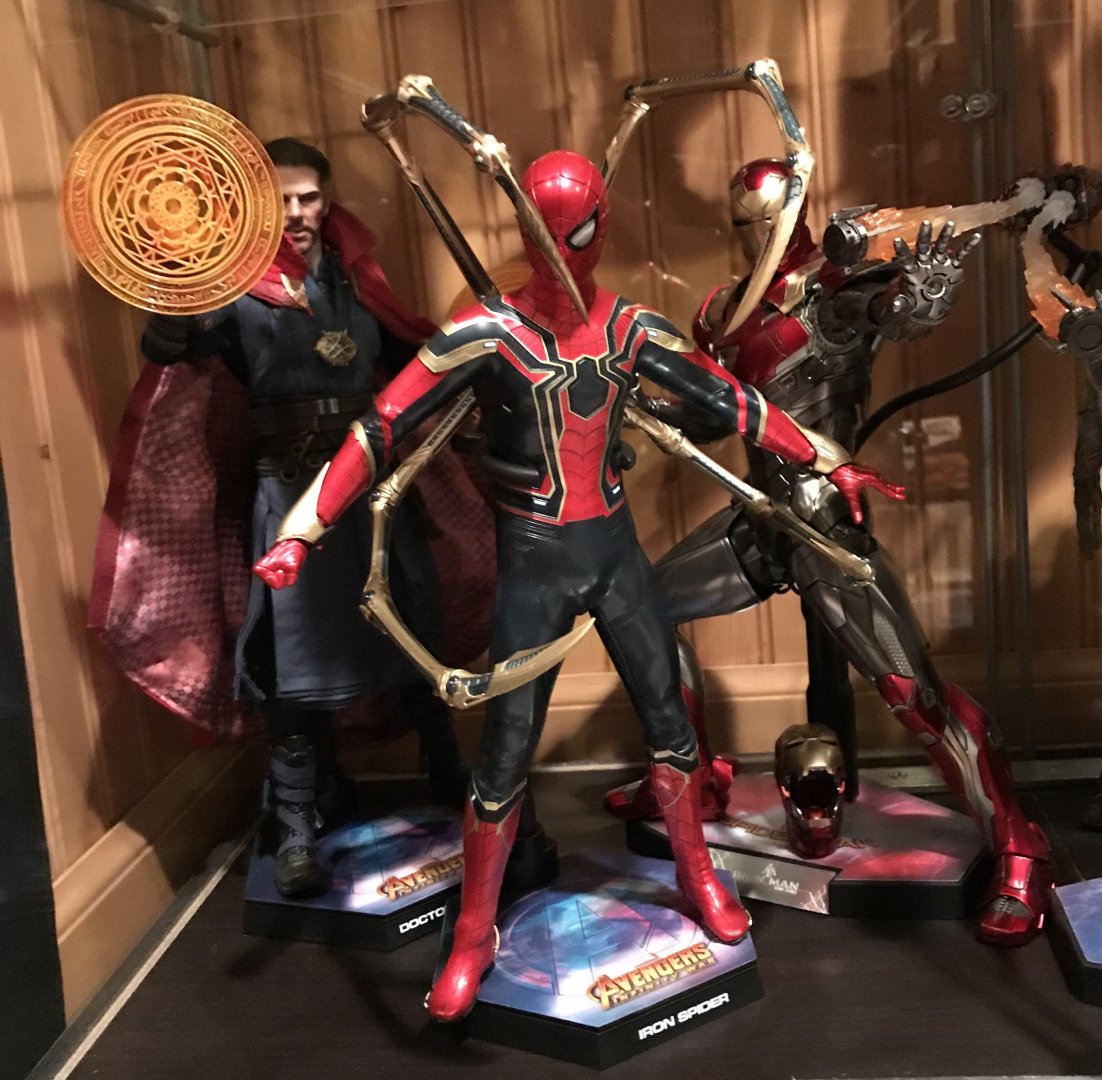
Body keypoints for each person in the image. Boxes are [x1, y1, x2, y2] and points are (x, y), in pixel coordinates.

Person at [254, 150, 903, 1019]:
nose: (563, 249)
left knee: (669, 722)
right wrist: (303, 527)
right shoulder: (485, 332)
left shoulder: (632, 327)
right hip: (533, 562)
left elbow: (733, 400)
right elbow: (382, 425)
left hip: (614, 552)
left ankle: (699, 875)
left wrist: (826, 457)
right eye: (546, 232)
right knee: (505, 751)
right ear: (525, 230)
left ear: (602, 227)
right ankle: (473, 933)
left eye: (579, 230)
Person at [609, 158, 1054, 947]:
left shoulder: (832, 290)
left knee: (914, 695)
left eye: (767, 219)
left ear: (796, 213)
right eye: (744, 223)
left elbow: (893, 313)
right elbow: (716, 413)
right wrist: (633, 396)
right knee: (638, 608)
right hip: (758, 521)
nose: (757, 235)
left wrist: (923, 290)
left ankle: (1019, 847)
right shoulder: (723, 309)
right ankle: (691, 775)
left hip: (825, 528)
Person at [98, 137, 488, 898]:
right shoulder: (234, 290)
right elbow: (171, 346)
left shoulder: (355, 278)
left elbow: (416, 352)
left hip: (375, 489)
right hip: (291, 496)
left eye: (308, 197)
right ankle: (296, 825)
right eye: (280, 199)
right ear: (255, 205)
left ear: (327, 200)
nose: (297, 213)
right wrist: (172, 293)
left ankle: (450, 774)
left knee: (414, 634)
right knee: (296, 663)